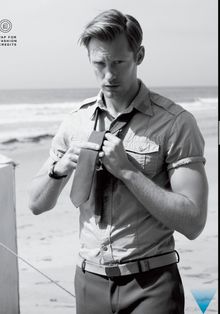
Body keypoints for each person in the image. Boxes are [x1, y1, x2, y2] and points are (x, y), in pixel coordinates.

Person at [29, 9, 208, 314]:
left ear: (139, 55)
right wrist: (58, 171)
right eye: (99, 64)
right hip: (88, 281)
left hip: (151, 285)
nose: (109, 74)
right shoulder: (75, 122)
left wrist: (128, 171)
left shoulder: (176, 123)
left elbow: (193, 222)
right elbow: (36, 204)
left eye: (118, 63)